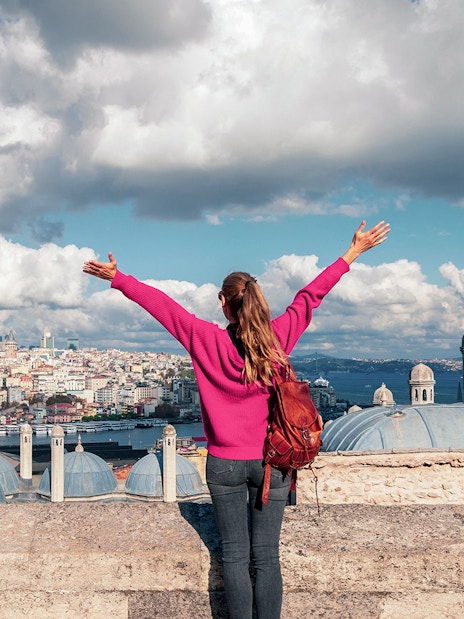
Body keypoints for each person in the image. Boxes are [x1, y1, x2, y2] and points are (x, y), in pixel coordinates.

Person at [82, 219, 390, 619]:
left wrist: (119, 278)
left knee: (233, 556)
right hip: (271, 462)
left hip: (224, 463)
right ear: (257, 302)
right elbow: (310, 297)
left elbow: (162, 306)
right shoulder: (277, 337)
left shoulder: (204, 338)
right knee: (266, 557)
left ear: (222, 302)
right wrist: (352, 252)